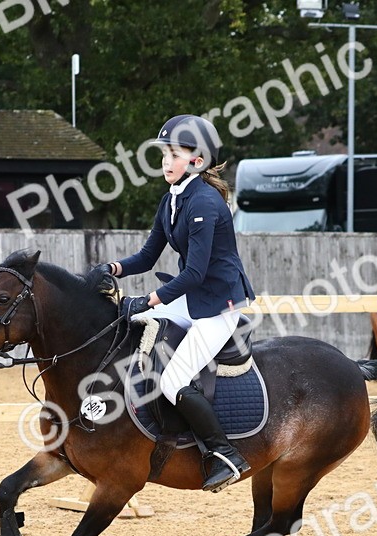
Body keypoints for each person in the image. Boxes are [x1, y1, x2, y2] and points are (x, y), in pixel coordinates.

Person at [92, 114, 256, 492]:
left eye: (175, 154)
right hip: (193, 297)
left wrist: (148, 299)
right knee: (126, 324)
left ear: (197, 161)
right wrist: (112, 268)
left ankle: (225, 454)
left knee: (174, 379)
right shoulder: (172, 199)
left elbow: (195, 274)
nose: (167, 161)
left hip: (218, 304)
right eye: (165, 153)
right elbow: (147, 257)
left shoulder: (205, 203)